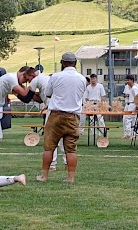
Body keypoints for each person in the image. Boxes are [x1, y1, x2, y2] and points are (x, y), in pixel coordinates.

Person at [36, 52, 86, 183]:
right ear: (75, 63)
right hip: (73, 117)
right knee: (71, 149)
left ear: (62, 63)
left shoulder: (56, 77)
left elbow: (47, 94)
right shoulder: (82, 79)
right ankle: (70, 178)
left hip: (56, 116)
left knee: (49, 147)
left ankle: (44, 176)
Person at [28, 71, 66, 171]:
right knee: (63, 137)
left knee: (50, 138)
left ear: (31, 75)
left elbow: (27, 95)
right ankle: (67, 162)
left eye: (27, 79)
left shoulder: (35, 80)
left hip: (53, 110)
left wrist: (17, 91)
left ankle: (52, 164)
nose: (27, 81)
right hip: (63, 109)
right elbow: (41, 98)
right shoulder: (46, 79)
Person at [122, 75, 138, 139]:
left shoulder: (135, 87)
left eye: (128, 80)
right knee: (125, 119)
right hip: (127, 104)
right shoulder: (126, 87)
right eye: (126, 80)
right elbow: (124, 95)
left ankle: (134, 134)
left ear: (132, 80)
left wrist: (137, 106)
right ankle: (127, 134)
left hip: (133, 104)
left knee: (132, 119)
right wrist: (125, 95)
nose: (127, 82)